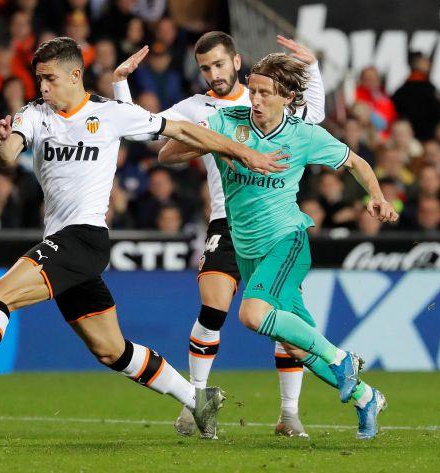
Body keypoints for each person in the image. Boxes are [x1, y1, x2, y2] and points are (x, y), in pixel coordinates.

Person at [0, 37, 285, 440]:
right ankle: (198, 400)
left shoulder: (111, 114)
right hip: (63, 242)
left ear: (75, 75)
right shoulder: (34, 114)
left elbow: (183, 129)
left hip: (85, 237)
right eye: (38, 79)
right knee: (111, 350)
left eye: (50, 79)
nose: (43, 88)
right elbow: (8, 155)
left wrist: (245, 153)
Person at [159, 52, 400, 440]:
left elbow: (356, 162)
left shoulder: (302, 135)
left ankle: (343, 359)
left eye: (264, 92)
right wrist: (221, 145)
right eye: (252, 90)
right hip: (246, 249)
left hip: (286, 241)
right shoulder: (227, 122)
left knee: (252, 315)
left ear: (286, 97)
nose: (253, 100)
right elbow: (167, 153)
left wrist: (376, 196)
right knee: (297, 342)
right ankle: (365, 396)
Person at [113, 32, 325, 438]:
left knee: (281, 319)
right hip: (226, 222)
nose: (213, 74)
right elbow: (143, 130)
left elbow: (312, 116)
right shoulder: (196, 109)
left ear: (237, 62)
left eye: (219, 65)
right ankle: (196, 401)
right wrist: (122, 83)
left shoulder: (263, 96)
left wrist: (312, 69)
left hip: (277, 224)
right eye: (206, 68)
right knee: (213, 308)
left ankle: (289, 413)